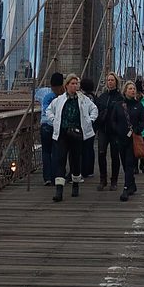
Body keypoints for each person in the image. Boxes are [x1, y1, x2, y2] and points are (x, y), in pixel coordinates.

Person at [46, 73, 97, 202]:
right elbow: (49, 110)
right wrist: (54, 120)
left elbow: (94, 109)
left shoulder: (84, 99)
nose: (75, 86)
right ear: (66, 85)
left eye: (76, 84)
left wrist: (89, 121)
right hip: (62, 133)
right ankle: (59, 191)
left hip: (77, 133)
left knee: (75, 161)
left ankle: (75, 184)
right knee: (60, 160)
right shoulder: (59, 99)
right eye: (72, 84)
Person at [109, 80, 144, 202]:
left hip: (133, 140)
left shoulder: (139, 105)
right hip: (121, 139)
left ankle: (125, 189)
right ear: (125, 91)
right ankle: (132, 185)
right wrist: (117, 131)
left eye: (134, 88)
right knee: (125, 164)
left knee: (129, 163)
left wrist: (137, 130)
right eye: (130, 89)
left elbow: (143, 121)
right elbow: (113, 120)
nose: (133, 90)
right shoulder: (118, 105)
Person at [94, 71, 123, 190]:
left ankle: (114, 181)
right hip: (103, 130)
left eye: (112, 80)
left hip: (115, 132)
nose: (110, 82)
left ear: (116, 82)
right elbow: (95, 112)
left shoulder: (120, 98)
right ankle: (103, 179)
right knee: (101, 154)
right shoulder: (102, 97)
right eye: (108, 80)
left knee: (115, 156)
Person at [34, 72, 64, 185]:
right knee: (57, 151)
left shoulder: (44, 94)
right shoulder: (62, 96)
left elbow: (34, 94)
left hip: (45, 126)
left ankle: (47, 178)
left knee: (46, 152)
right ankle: (56, 175)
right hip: (56, 126)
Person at [80, 76, 97, 179]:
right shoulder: (94, 97)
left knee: (83, 148)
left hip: (85, 125)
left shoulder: (84, 98)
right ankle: (89, 170)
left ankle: (84, 170)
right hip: (92, 126)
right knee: (90, 148)